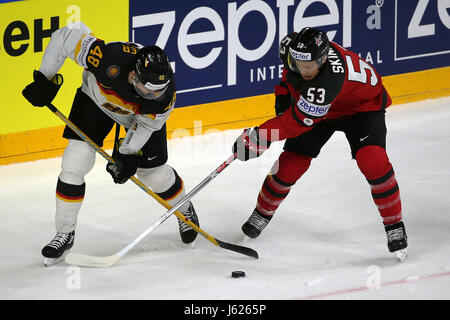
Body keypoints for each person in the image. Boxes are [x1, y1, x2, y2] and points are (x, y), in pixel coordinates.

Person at [22, 21, 199, 265]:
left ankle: (183, 208)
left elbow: (146, 125)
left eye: (157, 92)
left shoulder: (163, 98)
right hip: (96, 101)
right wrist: (45, 79)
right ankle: (64, 233)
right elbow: (65, 37)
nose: (152, 96)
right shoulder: (108, 59)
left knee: (153, 175)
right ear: (133, 75)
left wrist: (127, 154)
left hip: (135, 120)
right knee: (75, 160)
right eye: (148, 91)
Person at [232, 27, 407, 259]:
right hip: (322, 108)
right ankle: (262, 213)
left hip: (362, 108)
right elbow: (286, 83)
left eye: (310, 67)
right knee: (290, 164)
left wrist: (261, 136)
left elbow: (297, 122)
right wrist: (279, 113)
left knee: (372, 161)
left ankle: (394, 225)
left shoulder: (328, 79)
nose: (303, 70)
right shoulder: (293, 52)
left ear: (323, 59)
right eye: (298, 63)